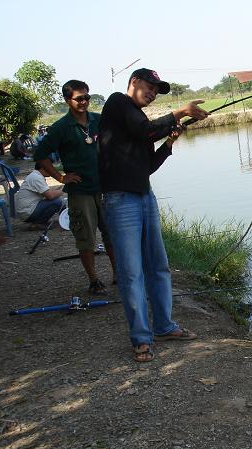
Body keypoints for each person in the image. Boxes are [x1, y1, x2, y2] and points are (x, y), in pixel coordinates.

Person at [99, 68, 209, 362]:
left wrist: (170, 142)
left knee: (159, 266)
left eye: (156, 90)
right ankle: (141, 338)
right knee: (131, 272)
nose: (152, 93)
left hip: (144, 196)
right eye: (149, 87)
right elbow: (145, 130)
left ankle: (164, 326)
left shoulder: (139, 121)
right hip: (120, 200)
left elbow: (147, 165)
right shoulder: (117, 104)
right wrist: (180, 112)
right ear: (134, 82)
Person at [34, 79, 117, 295]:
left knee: (112, 235)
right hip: (80, 192)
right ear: (67, 100)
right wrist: (61, 178)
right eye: (79, 98)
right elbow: (40, 155)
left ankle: (119, 275)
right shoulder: (61, 127)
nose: (84, 102)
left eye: (87, 97)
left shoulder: (98, 120)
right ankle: (94, 280)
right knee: (85, 239)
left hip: (104, 188)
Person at [14, 161, 64, 226]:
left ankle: (64, 217)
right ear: (43, 168)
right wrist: (65, 190)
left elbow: (47, 192)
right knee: (57, 202)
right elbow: (50, 196)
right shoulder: (36, 178)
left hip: (27, 210)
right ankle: (39, 223)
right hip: (27, 212)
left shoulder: (36, 175)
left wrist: (61, 189)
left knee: (57, 199)